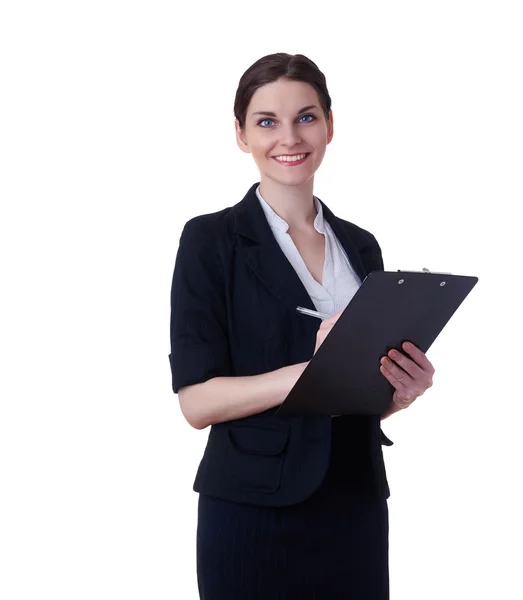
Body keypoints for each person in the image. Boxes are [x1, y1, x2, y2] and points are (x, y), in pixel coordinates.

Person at [168, 52, 435, 600]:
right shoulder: (210, 242)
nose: (289, 137)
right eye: (266, 121)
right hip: (252, 505)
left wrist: (398, 392)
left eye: (306, 117)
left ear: (330, 125)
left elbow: (360, 391)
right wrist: (312, 371)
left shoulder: (360, 245)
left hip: (354, 499)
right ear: (241, 134)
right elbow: (196, 403)